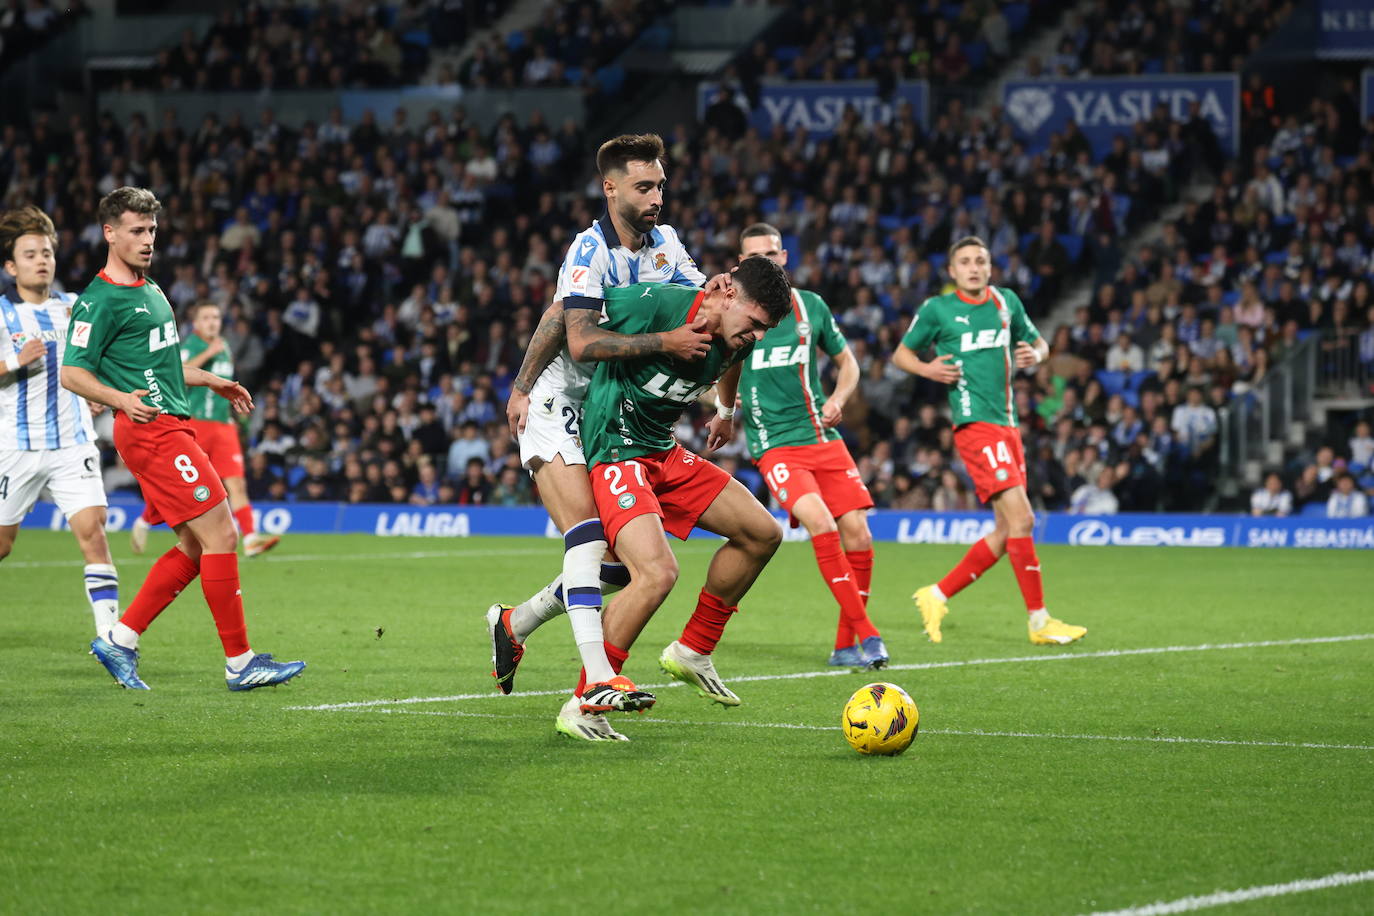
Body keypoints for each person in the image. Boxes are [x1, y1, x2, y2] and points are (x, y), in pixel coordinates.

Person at [491, 134, 724, 740]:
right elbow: (577, 339)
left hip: (608, 404)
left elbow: (696, 309)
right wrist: (522, 389)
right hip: (558, 400)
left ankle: (514, 623)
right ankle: (596, 676)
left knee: (618, 565)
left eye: (661, 186)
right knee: (589, 534)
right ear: (611, 187)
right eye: (645, 187)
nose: (657, 198)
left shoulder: (667, 245)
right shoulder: (589, 250)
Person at [60, 186, 305, 691]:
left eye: (151, 230)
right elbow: (71, 373)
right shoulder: (99, 300)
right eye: (136, 230)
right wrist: (120, 399)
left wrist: (211, 378)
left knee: (197, 546)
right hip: (151, 430)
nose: (148, 239)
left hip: (173, 423)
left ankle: (120, 639)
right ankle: (241, 663)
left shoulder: (150, 291)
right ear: (110, 233)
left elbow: (163, 365)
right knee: (223, 534)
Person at [580, 257, 793, 738]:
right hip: (615, 448)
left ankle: (693, 650)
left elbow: (733, 361)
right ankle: (584, 702)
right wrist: (527, 390)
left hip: (662, 450)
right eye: (756, 324)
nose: (758, 337)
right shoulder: (660, 304)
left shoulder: (736, 336)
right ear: (729, 294)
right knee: (657, 574)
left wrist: (725, 408)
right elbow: (575, 326)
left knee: (762, 533)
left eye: (767, 330)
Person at [894, 236, 1088, 646]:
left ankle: (937, 593)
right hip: (975, 425)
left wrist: (1038, 355)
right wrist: (929, 371)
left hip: (1008, 425)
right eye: (964, 262)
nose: (974, 268)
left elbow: (1040, 343)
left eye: (980, 260)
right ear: (952, 271)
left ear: (990, 267)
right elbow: (902, 355)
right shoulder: (938, 310)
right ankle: (1039, 621)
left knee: (1006, 529)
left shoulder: (1006, 303)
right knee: (1024, 520)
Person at [733, 223, 887, 669]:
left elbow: (848, 362)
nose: (766, 262)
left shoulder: (810, 307)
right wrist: (722, 401)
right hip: (775, 445)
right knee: (822, 524)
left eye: (772, 254)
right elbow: (707, 373)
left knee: (858, 531)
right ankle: (869, 634)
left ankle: (844, 647)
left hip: (822, 437)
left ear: (785, 257)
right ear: (741, 266)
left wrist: (838, 398)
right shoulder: (733, 313)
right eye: (755, 257)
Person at [0, 206, 120, 636]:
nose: (42, 260)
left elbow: (92, 362)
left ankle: (112, 640)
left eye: (47, 252)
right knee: (3, 545)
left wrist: (96, 393)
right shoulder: (1, 314)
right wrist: (16, 359)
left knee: (94, 531)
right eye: (30, 254)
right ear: (11, 265)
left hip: (73, 442)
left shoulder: (74, 307)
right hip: (16, 445)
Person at [129, 302, 281, 558]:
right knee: (183, 484)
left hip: (223, 427)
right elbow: (173, 374)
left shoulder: (224, 347)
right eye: (206, 317)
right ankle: (145, 520)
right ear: (197, 323)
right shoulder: (192, 346)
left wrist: (229, 415)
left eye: (216, 317)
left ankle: (251, 539)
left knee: (237, 484)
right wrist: (209, 352)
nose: (212, 322)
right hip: (195, 425)